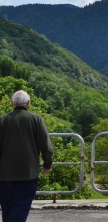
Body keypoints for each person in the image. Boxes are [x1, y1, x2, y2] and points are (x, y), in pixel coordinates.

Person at [0, 90, 53, 222]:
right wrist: (47, 164)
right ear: (28, 103)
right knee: (20, 209)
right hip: (28, 174)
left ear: (13, 103)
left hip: (4, 175)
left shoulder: (2, 120)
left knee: (7, 209)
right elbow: (46, 146)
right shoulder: (36, 119)